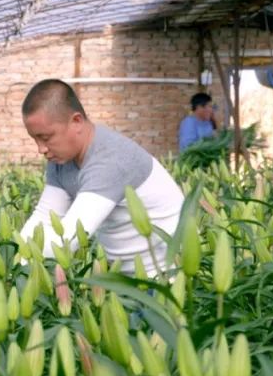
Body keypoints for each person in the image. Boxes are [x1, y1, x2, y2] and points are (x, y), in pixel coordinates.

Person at [18, 79, 184, 277]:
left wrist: (19, 264)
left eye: (46, 138)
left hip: (165, 277)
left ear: (76, 121)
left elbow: (69, 239)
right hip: (120, 278)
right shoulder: (61, 158)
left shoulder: (111, 159)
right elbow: (44, 217)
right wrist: (16, 266)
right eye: (35, 139)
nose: (41, 149)